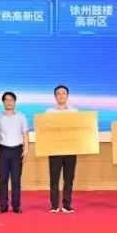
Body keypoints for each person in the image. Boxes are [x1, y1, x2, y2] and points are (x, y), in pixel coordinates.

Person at [0, 91, 29, 214]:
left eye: (11, 100)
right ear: (3, 102)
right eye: (6, 100)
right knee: (3, 180)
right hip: (2, 150)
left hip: (17, 151)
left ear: (15, 102)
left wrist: (26, 150)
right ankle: (3, 206)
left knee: (16, 180)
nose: (9, 102)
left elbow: (25, 134)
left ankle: (16, 206)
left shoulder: (21, 116)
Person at [46, 85, 78, 214]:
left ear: (67, 96)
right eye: (58, 94)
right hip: (55, 150)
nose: (61, 96)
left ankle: (66, 205)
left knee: (69, 179)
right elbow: (46, 131)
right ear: (55, 96)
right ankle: (54, 205)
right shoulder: (49, 112)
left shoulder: (74, 112)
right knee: (54, 179)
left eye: (64, 93)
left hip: (70, 149)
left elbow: (78, 129)